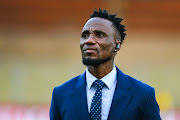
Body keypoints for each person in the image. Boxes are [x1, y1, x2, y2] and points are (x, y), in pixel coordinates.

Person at [50, 9, 161, 120]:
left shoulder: (143, 95)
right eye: (85, 35)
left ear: (117, 45)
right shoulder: (61, 94)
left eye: (99, 35)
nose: (89, 40)